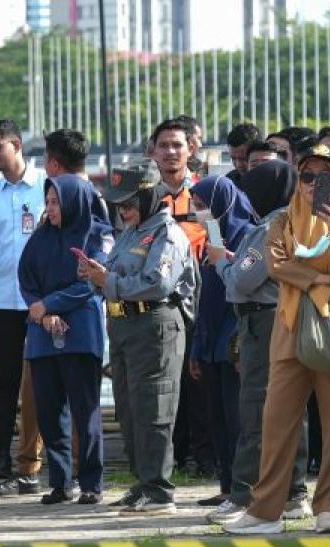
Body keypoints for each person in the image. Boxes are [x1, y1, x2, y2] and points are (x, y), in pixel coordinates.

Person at [225, 144, 330, 534]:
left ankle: (329, 509)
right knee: (276, 421)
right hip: (289, 328)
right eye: (307, 176)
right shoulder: (283, 222)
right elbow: (276, 265)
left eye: (325, 177)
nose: (313, 185)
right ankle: (266, 509)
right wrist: (320, 279)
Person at [78, 160, 195, 514]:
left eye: (129, 203)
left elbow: (156, 283)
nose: (123, 210)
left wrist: (107, 281)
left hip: (155, 324)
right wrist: (94, 275)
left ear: (149, 197)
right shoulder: (131, 232)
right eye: (119, 204)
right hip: (125, 326)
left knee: (154, 409)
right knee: (130, 410)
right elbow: (115, 275)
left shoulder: (168, 234)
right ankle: (144, 481)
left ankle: (160, 490)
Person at [208, 160, 312, 525]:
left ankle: (244, 495)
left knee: (256, 406)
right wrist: (238, 265)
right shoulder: (298, 221)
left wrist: (221, 262)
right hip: (289, 316)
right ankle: (294, 492)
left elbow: (240, 283)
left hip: (264, 322)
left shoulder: (271, 226)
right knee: (290, 405)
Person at [20, 175, 108, 505]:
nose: (51, 208)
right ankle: (60, 480)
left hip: (80, 333)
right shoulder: (40, 237)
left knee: (85, 412)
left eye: (56, 202)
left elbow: (91, 282)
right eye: (49, 202)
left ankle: (91, 482)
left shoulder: (97, 234)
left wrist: (51, 304)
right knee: (49, 411)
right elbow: (25, 277)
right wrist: (41, 313)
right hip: (42, 334)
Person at [0, 119, 45, 495]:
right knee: (4, 381)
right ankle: (1, 453)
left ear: (16, 145)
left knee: (44, 378)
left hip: (41, 301)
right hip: (2, 299)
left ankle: (42, 454)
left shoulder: (46, 186)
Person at [150, 118, 212, 480]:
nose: (171, 152)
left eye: (177, 145)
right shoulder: (146, 197)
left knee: (200, 380)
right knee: (164, 383)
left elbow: (218, 242)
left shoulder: (205, 194)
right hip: (160, 304)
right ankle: (170, 459)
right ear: (152, 151)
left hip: (200, 300)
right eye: (163, 146)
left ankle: (205, 459)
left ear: (191, 149)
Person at [187, 175, 254, 507]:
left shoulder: (245, 236)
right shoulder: (210, 240)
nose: (199, 212)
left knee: (236, 419)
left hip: (235, 343)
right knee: (218, 421)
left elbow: (241, 288)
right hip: (211, 343)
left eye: (203, 206)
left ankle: (243, 488)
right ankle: (227, 486)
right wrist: (197, 348)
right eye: (196, 206)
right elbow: (206, 298)